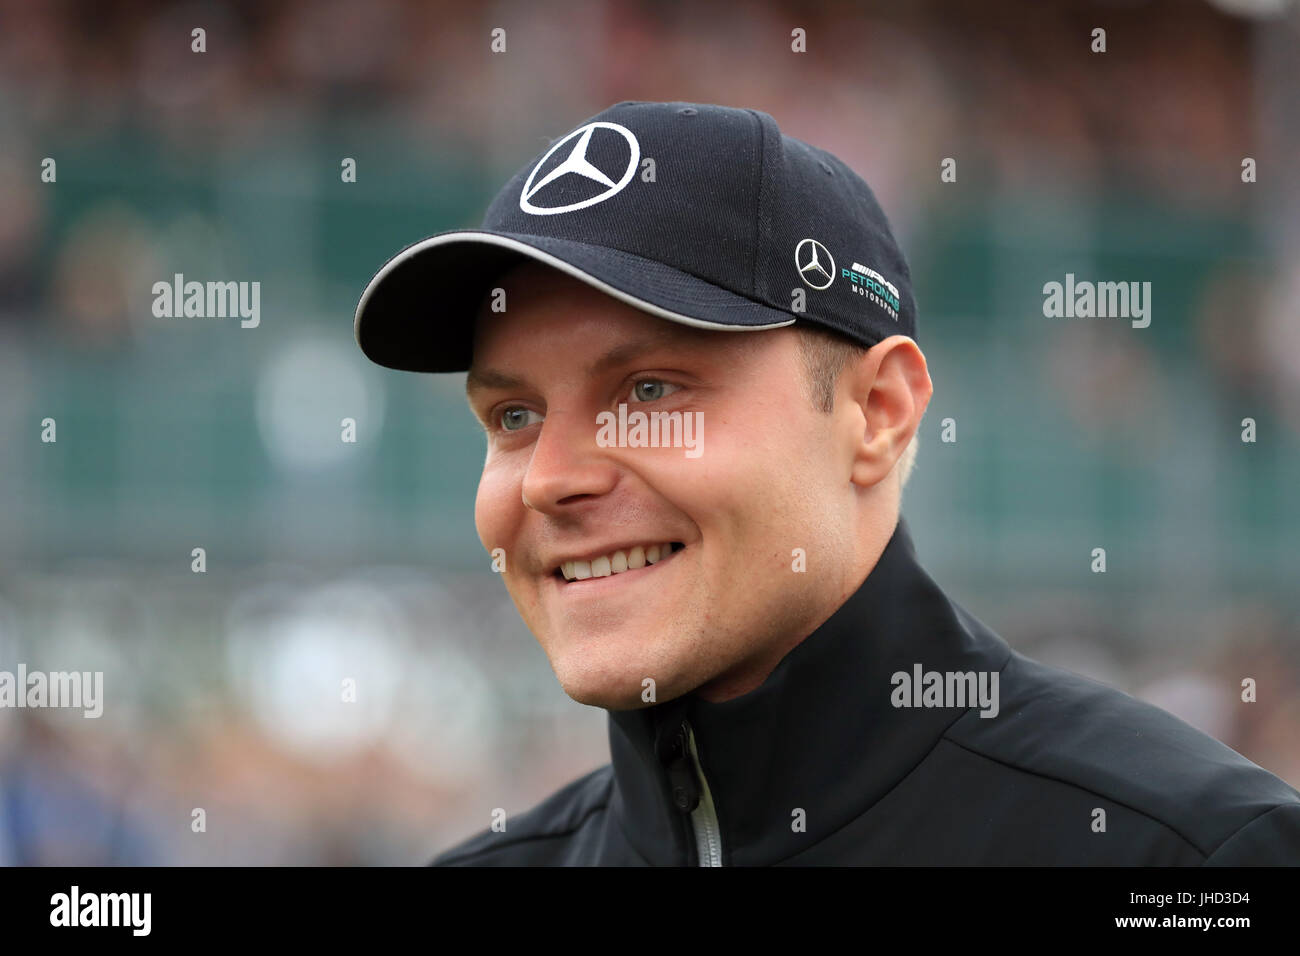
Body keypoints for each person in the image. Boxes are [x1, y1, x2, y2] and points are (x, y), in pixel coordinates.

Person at [353, 100, 1300, 865]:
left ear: (877, 413)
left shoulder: (1193, 857)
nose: (550, 481)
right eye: (513, 417)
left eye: (647, 391)